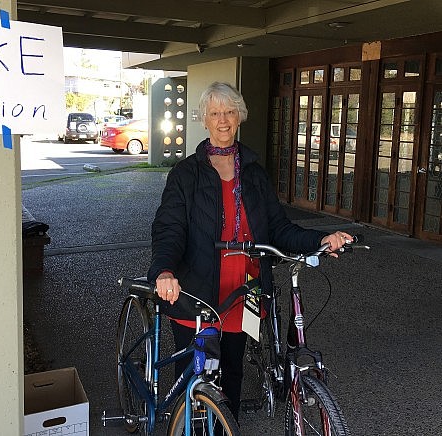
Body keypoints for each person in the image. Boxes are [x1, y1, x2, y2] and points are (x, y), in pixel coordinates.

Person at [147, 81, 352, 422]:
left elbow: (278, 229)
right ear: (205, 119)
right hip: (196, 289)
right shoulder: (186, 174)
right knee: (195, 377)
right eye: (215, 113)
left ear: (239, 116)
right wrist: (164, 270)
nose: (222, 120)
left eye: (229, 112)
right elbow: (170, 229)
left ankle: (229, 427)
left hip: (245, 289)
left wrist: (320, 240)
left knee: (231, 373)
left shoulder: (254, 172)